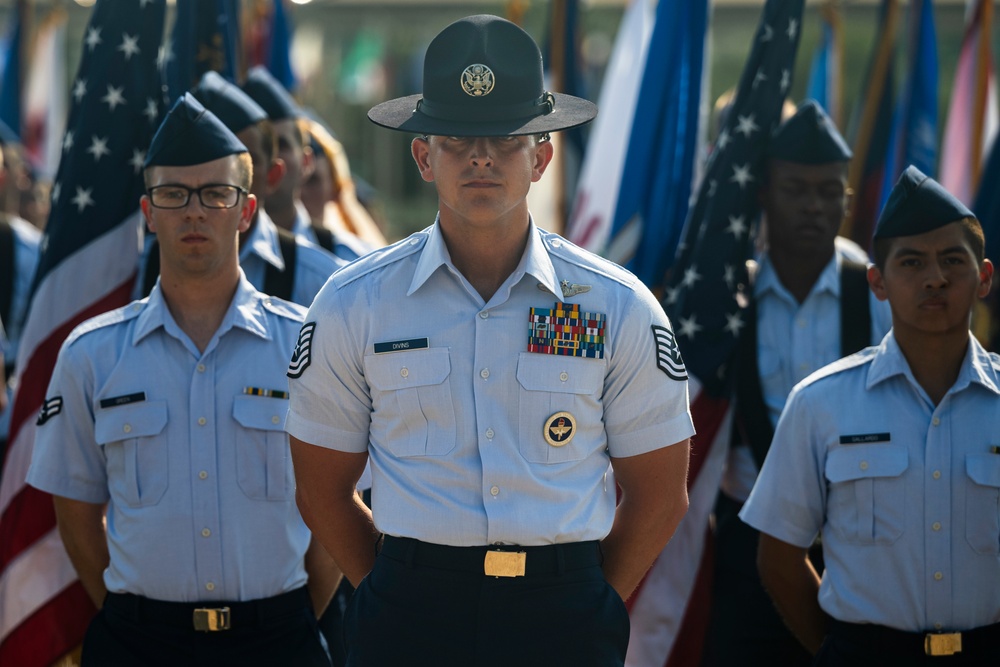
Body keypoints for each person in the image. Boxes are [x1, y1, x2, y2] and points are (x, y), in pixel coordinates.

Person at [286, 14, 693, 666]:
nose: (481, 156)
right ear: (424, 155)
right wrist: (393, 588)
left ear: (542, 156)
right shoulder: (354, 302)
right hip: (411, 614)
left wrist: (588, 596)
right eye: (457, 138)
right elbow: (321, 489)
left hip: (563, 617)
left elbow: (660, 491)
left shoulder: (617, 306)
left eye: (505, 138)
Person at [26, 94, 335, 667]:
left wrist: (288, 620)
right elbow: (74, 511)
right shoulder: (92, 354)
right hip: (140, 642)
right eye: (173, 195)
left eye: (216, 194)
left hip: (276, 639)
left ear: (245, 211)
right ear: (148, 213)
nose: (195, 212)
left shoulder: (303, 346)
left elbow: (336, 502)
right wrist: (137, 620)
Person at [741, 165, 1000, 666]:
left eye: (952, 260)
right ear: (877, 282)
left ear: (983, 277)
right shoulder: (820, 404)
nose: (935, 278)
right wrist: (843, 652)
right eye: (911, 263)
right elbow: (779, 560)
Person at [702, 100, 892, 667]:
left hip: (856, 549)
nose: (814, 207)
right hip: (745, 551)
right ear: (763, 193)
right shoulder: (730, 298)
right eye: (796, 190)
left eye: (830, 191)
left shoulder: (876, 290)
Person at [138, 71, 345, 307]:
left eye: (244, 162)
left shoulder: (329, 283)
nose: (195, 209)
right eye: (175, 192)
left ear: (272, 174)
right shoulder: (134, 268)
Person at [242, 67, 372, 262]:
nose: (272, 160)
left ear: (306, 161)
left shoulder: (350, 262)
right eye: (259, 149)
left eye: (282, 145)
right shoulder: (214, 261)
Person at [301, 115, 387, 250]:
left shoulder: (350, 253)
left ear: (333, 187)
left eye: (312, 181)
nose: (300, 191)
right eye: (297, 180)